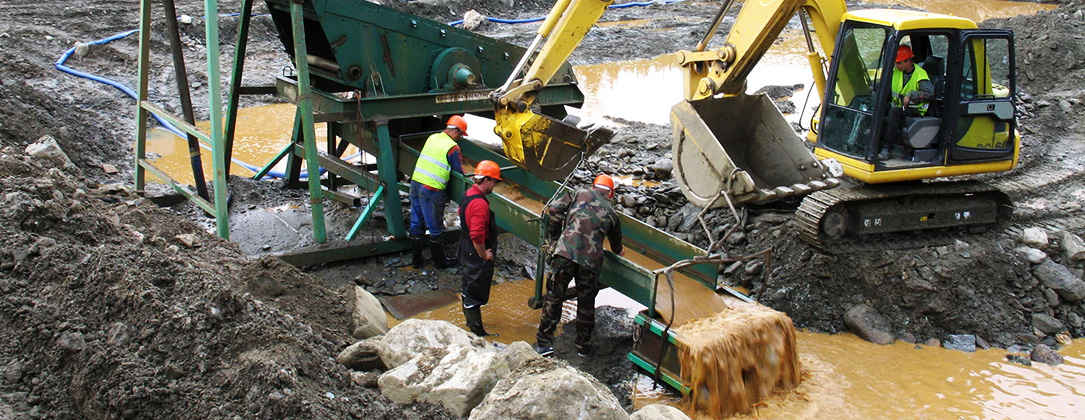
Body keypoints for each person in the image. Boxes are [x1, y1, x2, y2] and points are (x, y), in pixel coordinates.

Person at [534, 174, 624, 357]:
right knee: (586, 303)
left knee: (554, 297)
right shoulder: (613, 213)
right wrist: (620, 251)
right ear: (611, 194)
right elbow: (617, 248)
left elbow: (554, 210)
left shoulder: (577, 193)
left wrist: (554, 239)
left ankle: (544, 344)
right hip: (590, 263)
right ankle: (583, 346)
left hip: (564, 254)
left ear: (593, 186)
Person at [409, 115, 468, 269]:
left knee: (416, 221)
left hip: (416, 182)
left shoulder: (433, 137)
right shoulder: (453, 148)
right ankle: (440, 262)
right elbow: (458, 171)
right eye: (461, 135)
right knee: (435, 226)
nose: (460, 138)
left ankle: (417, 260)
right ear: (456, 131)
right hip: (431, 189)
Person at [459, 160, 502, 337]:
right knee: (475, 289)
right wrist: (483, 254)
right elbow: (477, 234)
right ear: (487, 180)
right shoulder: (480, 204)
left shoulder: (469, 193)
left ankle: (471, 325)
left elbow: (460, 212)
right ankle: (477, 332)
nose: (495, 186)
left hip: (465, 246)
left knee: (468, 285)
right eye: (494, 182)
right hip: (474, 251)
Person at [883, 45, 935, 157]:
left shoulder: (920, 74)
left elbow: (929, 93)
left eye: (899, 63)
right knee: (880, 108)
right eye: (896, 63)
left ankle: (888, 148)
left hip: (915, 109)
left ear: (908, 61)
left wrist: (912, 94)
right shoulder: (896, 72)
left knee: (894, 112)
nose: (896, 66)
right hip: (899, 106)